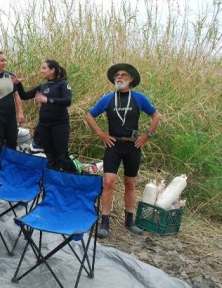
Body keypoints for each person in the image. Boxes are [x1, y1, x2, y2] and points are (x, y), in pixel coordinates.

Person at [86, 63, 161, 238]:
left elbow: (156, 116)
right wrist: (101, 134)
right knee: (109, 182)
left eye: (123, 75)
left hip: (133, 146)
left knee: (130, 183)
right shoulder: (108, 99)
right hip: (113, 145)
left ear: (131, 79)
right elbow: (90, 115)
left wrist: (147, 135)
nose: (119, 77)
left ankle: (129, 220)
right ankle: (104, 221)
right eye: (116, 75)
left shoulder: (139, 98)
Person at [11, 60, 77, 172]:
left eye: (44, 68)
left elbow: (67, 101)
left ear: (52, 70)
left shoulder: (63, 84)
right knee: (50, 156)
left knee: (62, 156)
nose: (41, 71)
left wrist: (47, 100)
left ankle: (76, 177)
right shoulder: (43, 86)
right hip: (44, 125)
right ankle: (53, 180)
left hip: (60, 124)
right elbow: (24, 96)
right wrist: (18, 84)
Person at [0, 51, 25, 169]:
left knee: (12, 141)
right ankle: (0, 167)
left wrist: (20, 112)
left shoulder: (11, 76)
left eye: (5, 60)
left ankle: (11, 168)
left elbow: (17, 96)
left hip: (11, 115)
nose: (5, 63)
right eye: (2, 60)